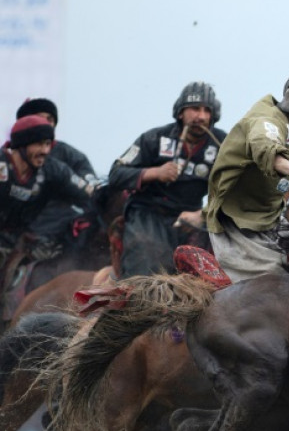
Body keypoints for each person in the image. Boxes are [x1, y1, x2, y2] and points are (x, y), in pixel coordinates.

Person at [206, 68, 289, 283]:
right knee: (278, 285)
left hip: (270, 224)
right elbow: (267, 150)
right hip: (237, 226)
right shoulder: (267, 121)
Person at [108, 82, 228, 277]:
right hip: (148, 215)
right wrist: (154, 173)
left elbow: (236, 186)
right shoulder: (154, 138)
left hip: (193, 217)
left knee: (213, 267)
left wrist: (203, 213)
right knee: (148, 261)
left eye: (207, 111)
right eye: (195, 109)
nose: (202, 116)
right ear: (180, 112)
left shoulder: (223, 144)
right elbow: (116, 173)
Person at [1, 116, 94, 316]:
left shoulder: (52, 169)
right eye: (38, 143)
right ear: (21, 144)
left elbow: (88, 194)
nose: (45, 150)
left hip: (22, 241)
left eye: (47, 144)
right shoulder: (2, 167)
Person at [16, 98, 98, 259]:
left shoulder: (68, 159)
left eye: (50, 119)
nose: (47, 123)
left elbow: (91, 192)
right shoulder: (6, 161)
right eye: (41, 118)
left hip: (61, 229)